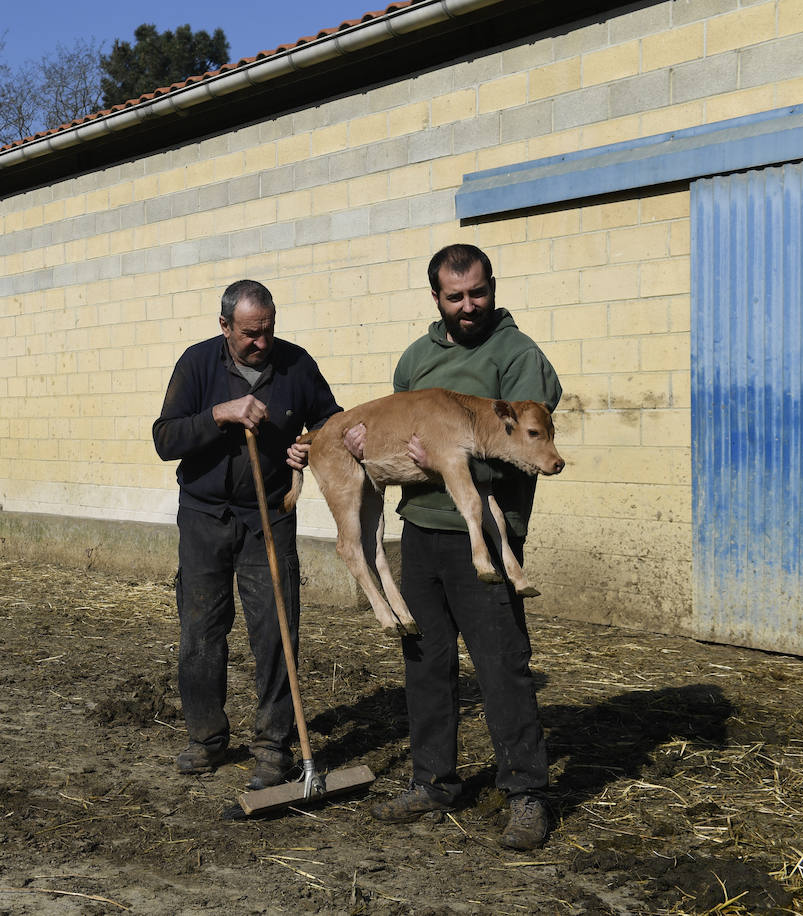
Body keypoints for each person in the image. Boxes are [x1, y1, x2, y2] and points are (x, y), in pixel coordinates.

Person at [344, 243, 561, 850]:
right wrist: (365, 440)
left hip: (485, 540)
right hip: (420, 530)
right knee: (425, 661)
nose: (468, 306)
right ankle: (433, 779)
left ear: (492, 286)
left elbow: (528, 450)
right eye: (454, 296)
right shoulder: (415, 359)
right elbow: (390, 424)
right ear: (435, 297)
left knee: (501, 664)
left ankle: (526, 793)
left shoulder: (518, 358)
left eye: (478, 293)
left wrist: (445, 461)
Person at [152, 279, 342, 791]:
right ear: (224, 327)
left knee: (277, 632)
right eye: (250, 334)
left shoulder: (296, 364)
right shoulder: (196, 364)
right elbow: (165, 438)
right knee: (201, 631)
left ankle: (272, 747)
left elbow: (331, 421)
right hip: (204, 518)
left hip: (269, 517)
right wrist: (221, 413)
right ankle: (206, 738)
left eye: (268, 331)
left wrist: (310, 444)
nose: (261, 342)